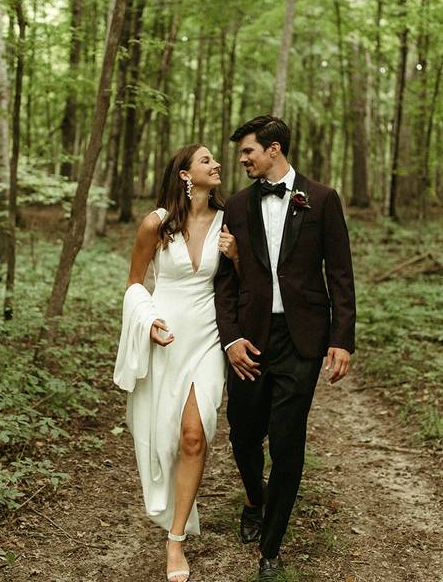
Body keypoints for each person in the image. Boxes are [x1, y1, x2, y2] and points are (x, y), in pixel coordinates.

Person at [214, 115, 356, 580]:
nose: (242, 160)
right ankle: (254, 499)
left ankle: (271, 548)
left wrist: (341, 339)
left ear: (273, 149)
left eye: (248, 152)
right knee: (242, 432)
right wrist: (231, 338)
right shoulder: (234, 206)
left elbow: (339, 273)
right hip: (250, 339)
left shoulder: (322, 199)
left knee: (289, 440)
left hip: (302, 340)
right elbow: (225, 282)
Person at [114, 143, 236, 582]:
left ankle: (176, 539)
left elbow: (243, 283)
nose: (216, 164)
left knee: (193, 435)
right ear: (185, 174)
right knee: (164, 439)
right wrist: (148, 324)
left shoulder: (230, 222)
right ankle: (169, 506)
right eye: (206, 160)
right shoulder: (156, 224)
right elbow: (133, 285)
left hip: (207, 338)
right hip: (166, 337)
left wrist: (237, 256)